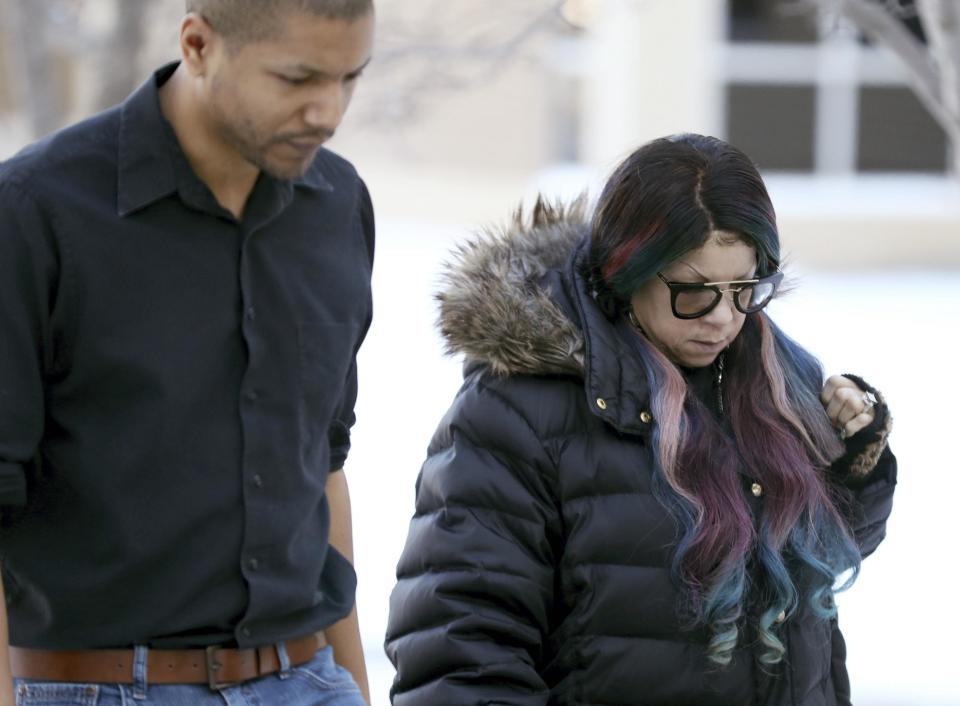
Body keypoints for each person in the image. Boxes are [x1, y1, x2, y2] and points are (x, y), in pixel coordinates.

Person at [385, 134, 896, 705]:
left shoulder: (777, 379)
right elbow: (461, 649)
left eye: (745, 289)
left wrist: (855, 460)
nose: (724, 319)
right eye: (694, 292)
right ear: (628, 271)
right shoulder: (519, 412)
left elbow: (818, 561)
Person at [0, 1, 376, 704]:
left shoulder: (340, 205)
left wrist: (354, 686)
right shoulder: (34, 211)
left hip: (310, 679)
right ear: (198, 45)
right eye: (297, 79)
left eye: (349, 78)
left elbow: (322, 464)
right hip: (104, 688)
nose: (327, 111)